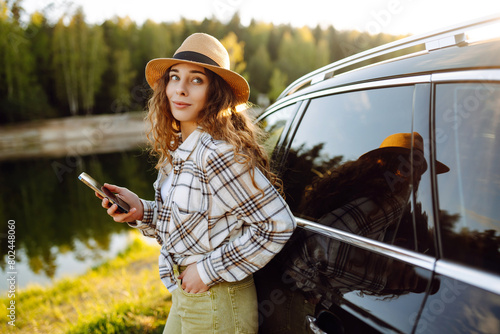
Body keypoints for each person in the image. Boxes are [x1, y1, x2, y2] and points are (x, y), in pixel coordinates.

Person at [97, 33, 296, 333]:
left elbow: (278, 225)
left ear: (215, 92)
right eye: (175, 77)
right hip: (187, 295)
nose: (180, 89)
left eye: (196, 80)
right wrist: (141, 211)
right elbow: (192, 225)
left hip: (218, 299)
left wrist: (206, 271)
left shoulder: (218, 154)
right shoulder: (181, 151)